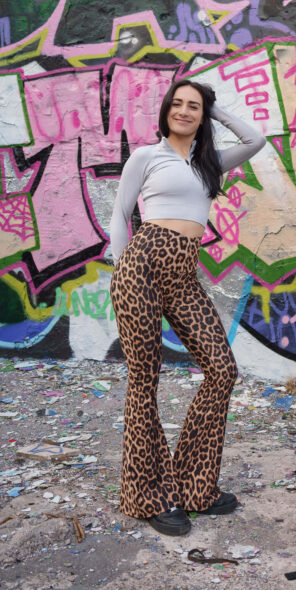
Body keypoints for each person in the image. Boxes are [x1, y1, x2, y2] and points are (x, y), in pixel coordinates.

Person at [109, 79, 266, 536]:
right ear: (165, 111)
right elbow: (120, 214)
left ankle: (196, 486)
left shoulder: (209, 162)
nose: (183, 111)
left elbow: (255, 140)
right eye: (176, 104)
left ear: (202, 115)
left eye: (192, 106)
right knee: (145, 380)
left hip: (183, 276)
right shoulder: (146, 156)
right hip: (141, 267)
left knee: (222, 369)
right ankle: (148, 495)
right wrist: (122, 271)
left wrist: (214, 108)